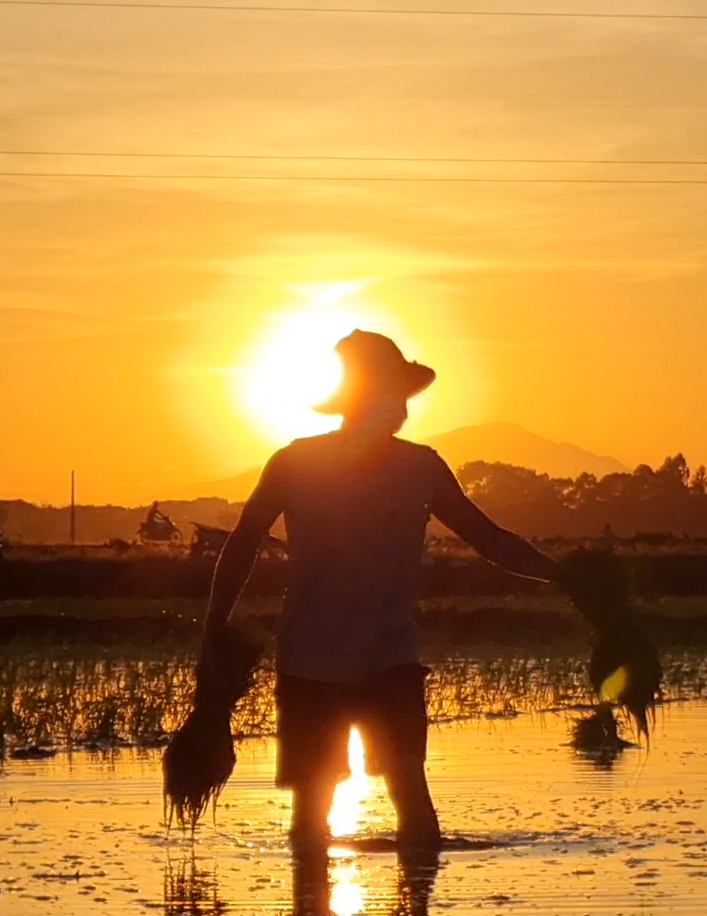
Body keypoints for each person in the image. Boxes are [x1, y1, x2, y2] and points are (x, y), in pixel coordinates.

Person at [199, 329, 557, 858]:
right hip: (311, 664)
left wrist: (569, 578)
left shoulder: (420, 468)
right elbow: (242, 545)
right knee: (316, 818)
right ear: (375, 397)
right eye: (396, 396)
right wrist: (214, 632)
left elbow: (491, 541)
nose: (404, 410)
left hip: (387, 661)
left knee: (409, 804)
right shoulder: (296, 463)